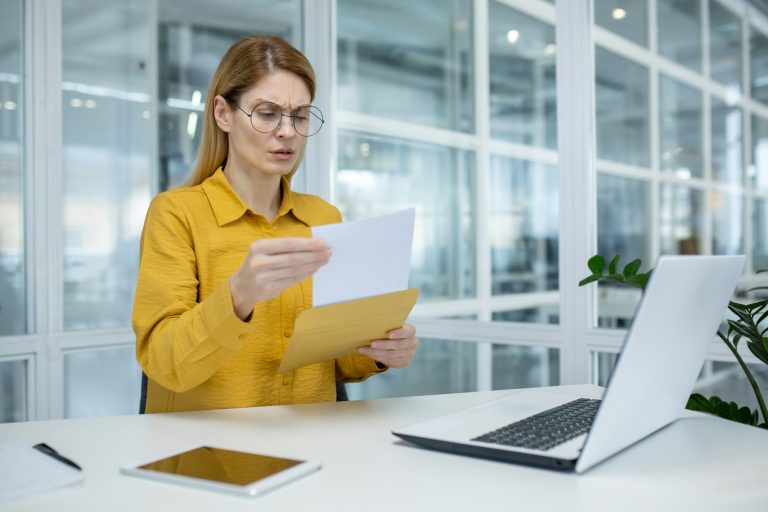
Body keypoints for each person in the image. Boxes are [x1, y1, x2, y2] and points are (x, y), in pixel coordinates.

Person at [132, 35, 418, 414]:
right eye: (267, 113)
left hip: (315, 448)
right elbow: (163, 363)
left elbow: (340, 358)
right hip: (210, 459)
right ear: (222, 113)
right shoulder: (175, 215)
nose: (288, 131)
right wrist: (238, 296)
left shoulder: (323, 217)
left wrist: (382, 349)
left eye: (300, 116)